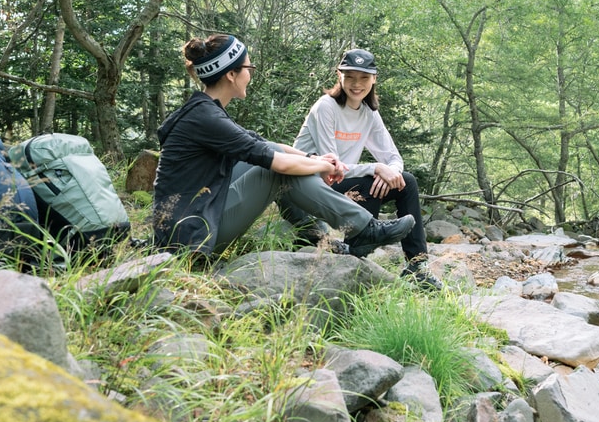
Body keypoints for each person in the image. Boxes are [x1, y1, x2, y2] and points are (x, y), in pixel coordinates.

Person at [151, 35, 414, 259]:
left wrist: (314, 158)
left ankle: (322, 236)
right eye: (247, 67)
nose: (250, 74)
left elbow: (268, 144)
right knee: (276, 171)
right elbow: (277, 161)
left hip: (195, 221)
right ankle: (363, 229)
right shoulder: (206, 117)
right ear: (231, 74)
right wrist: (323, 166)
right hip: (190, 239)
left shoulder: (205, 111)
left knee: (267, 160)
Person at [286, 48, 438, 288]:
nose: (357, 84)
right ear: (339, 76)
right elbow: (330, 166)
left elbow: (393, 156)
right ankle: (359, 244)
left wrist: (391, 172)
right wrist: (375, 168)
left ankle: (417, 266)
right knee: (372, 179)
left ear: (374, 78)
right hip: (310, 187)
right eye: (350, 77)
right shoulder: (326, 107)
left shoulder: (369, 114)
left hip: (341, 185)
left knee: (405, 181)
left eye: (364, 78)